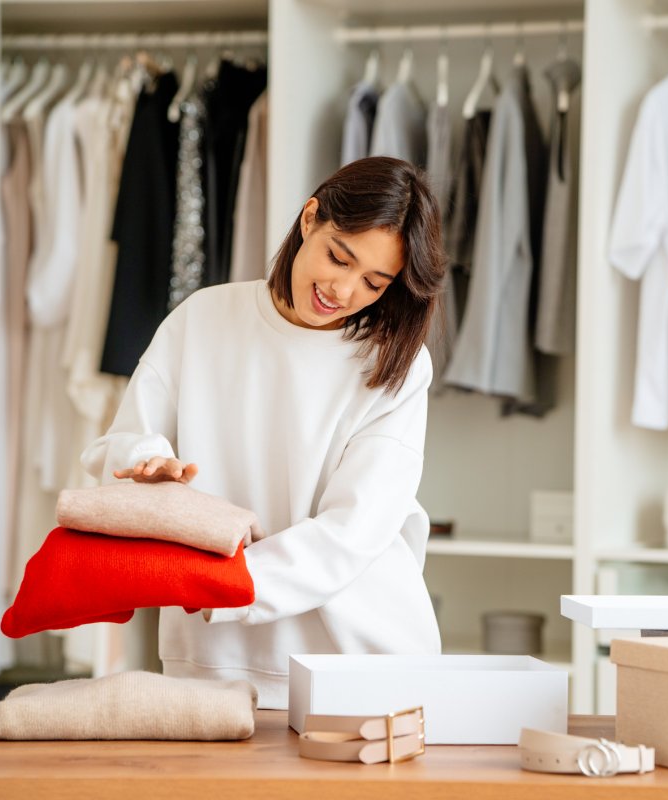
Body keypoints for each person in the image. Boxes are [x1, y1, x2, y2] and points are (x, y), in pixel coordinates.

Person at [81, 156, 446, 708]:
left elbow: (355, 529)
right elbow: (128, 439)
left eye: (374, 282)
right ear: (309, 219)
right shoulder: (203, 318)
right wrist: (150, 466)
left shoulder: (396, 364)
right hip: (212, 649)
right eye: (337, 257)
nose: (343, 290)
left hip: (357, 654)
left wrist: (225, 583)